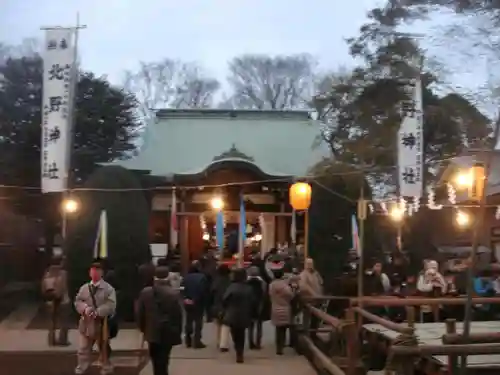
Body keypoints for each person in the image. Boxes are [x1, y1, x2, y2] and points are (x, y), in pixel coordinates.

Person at [136, 265, 183, 375]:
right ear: (168, 276)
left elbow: (140, 313)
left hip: (152, 331)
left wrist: (143, 329)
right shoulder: (173, 294)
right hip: (168, 331)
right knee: (164, 358)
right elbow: (178, 316)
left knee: (155, 359)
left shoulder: (145, 292)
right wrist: (178, 332)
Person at [74, 259, 117, 375]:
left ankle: (106, 367)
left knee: (103, 348)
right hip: (86, 323)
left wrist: (98, 312)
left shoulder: (108, 289)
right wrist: (85, 309)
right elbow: (78, 301)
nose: (94, 273)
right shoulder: (84, 288)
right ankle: (82, 367)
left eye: (97, 271)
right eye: (92, 271)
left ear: (102, 273)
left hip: (101, 323)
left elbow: (111, 305)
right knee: (83, 348)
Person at [222, 268, 254, 363]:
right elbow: (253, 302)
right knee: (241, 333)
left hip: (232, 313)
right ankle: (240, 352)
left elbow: (224, 300)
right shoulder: (249, 288)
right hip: (244, 313)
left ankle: (237, 349)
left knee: (234, 333)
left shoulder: (231, 287)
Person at [41, 254, 70, 346]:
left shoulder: (48, 272)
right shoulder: (63, 273)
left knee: (52, 321)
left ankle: (51, 339)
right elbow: (63, 287)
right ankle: (63, 339)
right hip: (61, 299)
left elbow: (43, 286)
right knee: (64, 320)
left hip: (50, 299)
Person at [269, 268, 295, 355]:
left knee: (278, 329)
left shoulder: (271, 285)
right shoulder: (285, 286)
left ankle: (278, 347)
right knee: (283, 329)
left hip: (275, 308)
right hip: (284, 308)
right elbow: (291, 295)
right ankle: (282, 346)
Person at [181, 262, 208, 348]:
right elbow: (204, 291)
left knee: (188, 320)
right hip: (198, 302)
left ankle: (188, 340)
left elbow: (182, 289)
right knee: (198, 322)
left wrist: (185, 298)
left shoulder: (186, 277)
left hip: (187, 301)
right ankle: (197, 341)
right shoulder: (202, 277)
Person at [211, 264, 231, 352]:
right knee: (225, 325)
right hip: (226, 305)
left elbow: (212, 292)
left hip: (216, 305)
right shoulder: (229, 281)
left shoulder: (216, 281)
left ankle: (219, 341)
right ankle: (223, 344)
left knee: (218, 324)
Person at [246, 266, 266, 349]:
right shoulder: (262, 282)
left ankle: (250, 342)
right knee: (259, 325)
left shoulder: (246, 282)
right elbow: (264, 293)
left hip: (249, 305)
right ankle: (258, 343)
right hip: (259, 305)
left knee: (250, 326)